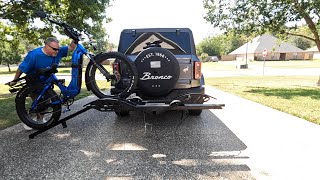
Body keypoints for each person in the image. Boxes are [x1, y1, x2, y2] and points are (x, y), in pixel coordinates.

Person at [7, 37, 76, 130]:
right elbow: (21, 68)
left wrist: (75, 38)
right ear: (47, 46)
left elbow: (71, 47)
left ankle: (40, 118)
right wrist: (15, 80)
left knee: (46, 102)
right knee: (38, 102)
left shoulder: (58, 51)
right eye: (54, 49)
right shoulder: (34, 55)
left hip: (47, 82)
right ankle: (29, 120)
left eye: (58, 49)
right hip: (34, 83)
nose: (57, 51)